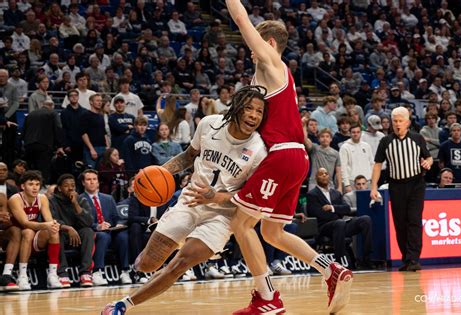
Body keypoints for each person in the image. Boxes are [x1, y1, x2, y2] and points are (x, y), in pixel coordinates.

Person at [225, 3, 352, 314]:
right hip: (296, 159)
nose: (250, 52)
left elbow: (241, 18)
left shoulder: (270, 62)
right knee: (271, 232)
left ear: (268, 43)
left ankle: (266, 298)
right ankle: (330, 269)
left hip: (282, 156)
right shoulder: (282, 75)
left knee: (240, 224)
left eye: (254, 45)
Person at [101, 86, 268, 315]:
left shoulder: (258, 150)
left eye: (259, 111)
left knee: (178, 265)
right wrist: (159, 172)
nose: (253, 115)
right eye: (249, 108)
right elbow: (188, 156)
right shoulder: (209, 124)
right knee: (147, 265)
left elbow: (249, 195)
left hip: (222, 215)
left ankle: (121, 305)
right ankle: (178, 238)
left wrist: (216, 196)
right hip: (189, 201)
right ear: (236, 106)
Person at [370, 107, 433, 272]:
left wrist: (428, 162)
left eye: (400, 121)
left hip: (416, 184)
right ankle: (406, 258)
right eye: (395, 121)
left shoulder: (417, 138)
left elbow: (428, 156)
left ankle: (413, 259)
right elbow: (377, 165)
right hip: (396, 185)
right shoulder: (385, 141)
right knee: (400, 223)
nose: (397, 125)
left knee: (413, 220)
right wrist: (373, 187)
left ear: (408, 123)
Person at [307, 168, 373, 269]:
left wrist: (332, 208)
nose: (324, 175)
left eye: (326, 173)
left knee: (365, 219)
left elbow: (346, 209)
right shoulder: (312, 194)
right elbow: (317, 214)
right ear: (316, 178)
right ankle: (340, 262)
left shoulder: (336, 193)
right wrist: (338, 212)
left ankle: (365, 260)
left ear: (329, 177)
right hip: (324, 227)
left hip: (340, 224)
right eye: (321, 174)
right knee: (339, 223)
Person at [7, 171, 63, 290]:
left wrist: (53, 224)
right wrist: (47, 224)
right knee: (28, 231)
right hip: (13, 238)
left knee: (53, 231)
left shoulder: (42, 198)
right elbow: (25, 223)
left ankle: (52, 275)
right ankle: (22, 276)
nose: (34, 187)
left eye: (37, 184)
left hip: (31, 239)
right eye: (31, 184)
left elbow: (48, 219)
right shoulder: (15, 199)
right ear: (23, 186)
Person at [80, 169, 131, 286]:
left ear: (98, 182)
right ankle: (98, 271)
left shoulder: (108, 198)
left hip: (111, 230)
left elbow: (116, 217)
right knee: (103, 236)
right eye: (88, 180)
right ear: (83, 183)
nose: (92, 182)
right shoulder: (79, 199)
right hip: (94, 232)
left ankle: (125, 271)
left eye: (94, 179)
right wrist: (97, 226)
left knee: (123, 236)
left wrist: (118, 224)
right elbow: (81, 221)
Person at [49, 173, 95, 287]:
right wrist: (67, 228)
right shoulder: (52, 201)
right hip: (62, 233)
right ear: (59, 188)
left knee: (88, 231)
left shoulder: (81, 199)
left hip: (77, 236)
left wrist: (75, 204)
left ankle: (85, 273)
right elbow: (50, 220)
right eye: (66, 185)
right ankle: (62, 273)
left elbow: (89, 222)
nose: (70, 188)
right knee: (55, 233)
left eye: (73, 185)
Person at [340, 125, 374, 193]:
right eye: (353, 132)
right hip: (352, 182)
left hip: (368, 181)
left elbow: (372, 164)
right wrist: (347, 184)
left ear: (361, 133)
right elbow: (343, 167)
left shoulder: (366, 146)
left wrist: (373, 180)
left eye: (358, 132)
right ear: (349, 133)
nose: (356, 134)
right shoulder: (344, 147)